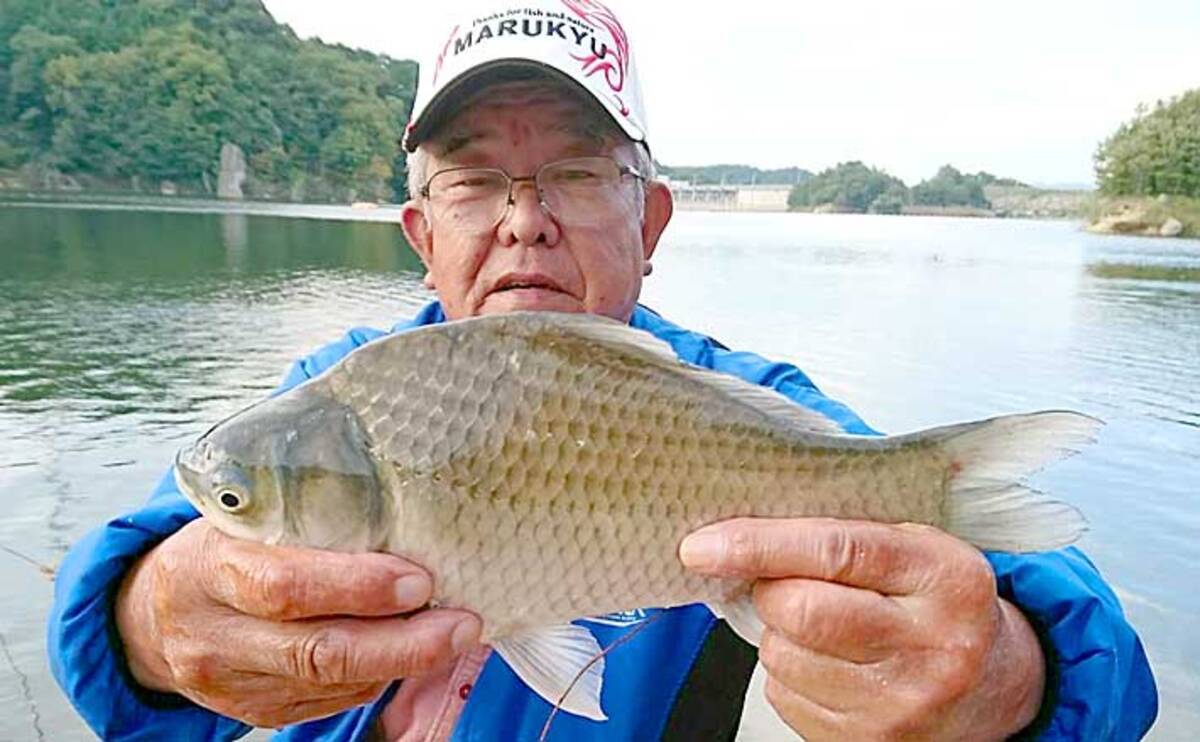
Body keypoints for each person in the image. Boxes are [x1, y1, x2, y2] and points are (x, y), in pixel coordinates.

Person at [48, 1, 1157, 739]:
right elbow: (114, 618)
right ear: (419, 229)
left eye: (576, 172)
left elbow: (1107, 677)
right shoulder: (341, 402)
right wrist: (155, 624)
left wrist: (1003, 677)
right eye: (476, 181)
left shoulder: (746, 405)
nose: (526, 222)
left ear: (652, 215)